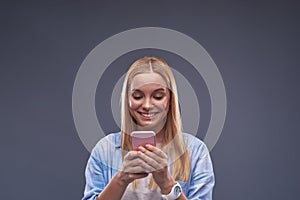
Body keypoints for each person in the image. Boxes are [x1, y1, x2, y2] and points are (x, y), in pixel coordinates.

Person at [82, 56, 215, 200]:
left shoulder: (196, 151)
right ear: (127, 99)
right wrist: (121, 179)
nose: (147, 105)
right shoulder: (105, 149)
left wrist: (167, 183)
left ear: (170, 99)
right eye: (137, 96)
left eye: (158, 96)